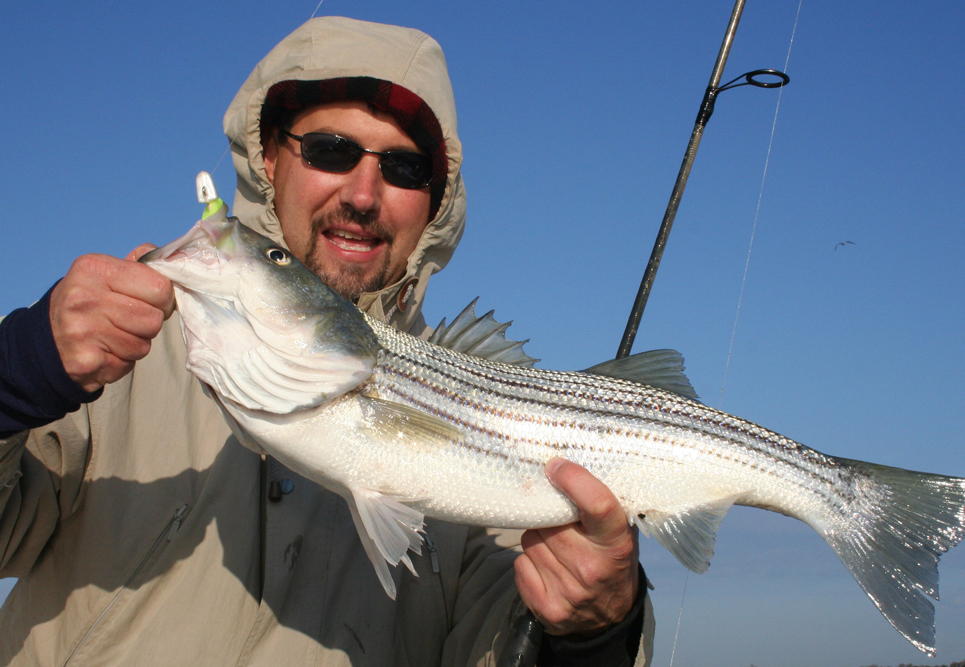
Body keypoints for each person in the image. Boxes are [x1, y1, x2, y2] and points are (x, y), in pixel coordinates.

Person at [0, 17, 653, 666]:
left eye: (403, 167)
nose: (364, 193)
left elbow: (506, 648)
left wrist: (599, 630)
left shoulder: (494, 443)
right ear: (271, 157)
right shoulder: (120, 355)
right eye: (332, 150)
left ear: (436, 201)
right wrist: (20, 368)